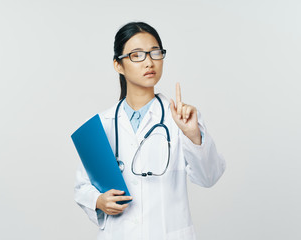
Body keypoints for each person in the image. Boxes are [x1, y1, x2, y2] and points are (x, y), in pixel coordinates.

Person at [74, 22, 226, 240]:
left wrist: (193, 135)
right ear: (118, 65)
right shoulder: (101, 124)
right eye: (137, 55)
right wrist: (98, 201)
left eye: (155, 53)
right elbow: (82, 187)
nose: (149, 62)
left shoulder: (182, 119)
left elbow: (209, 177)